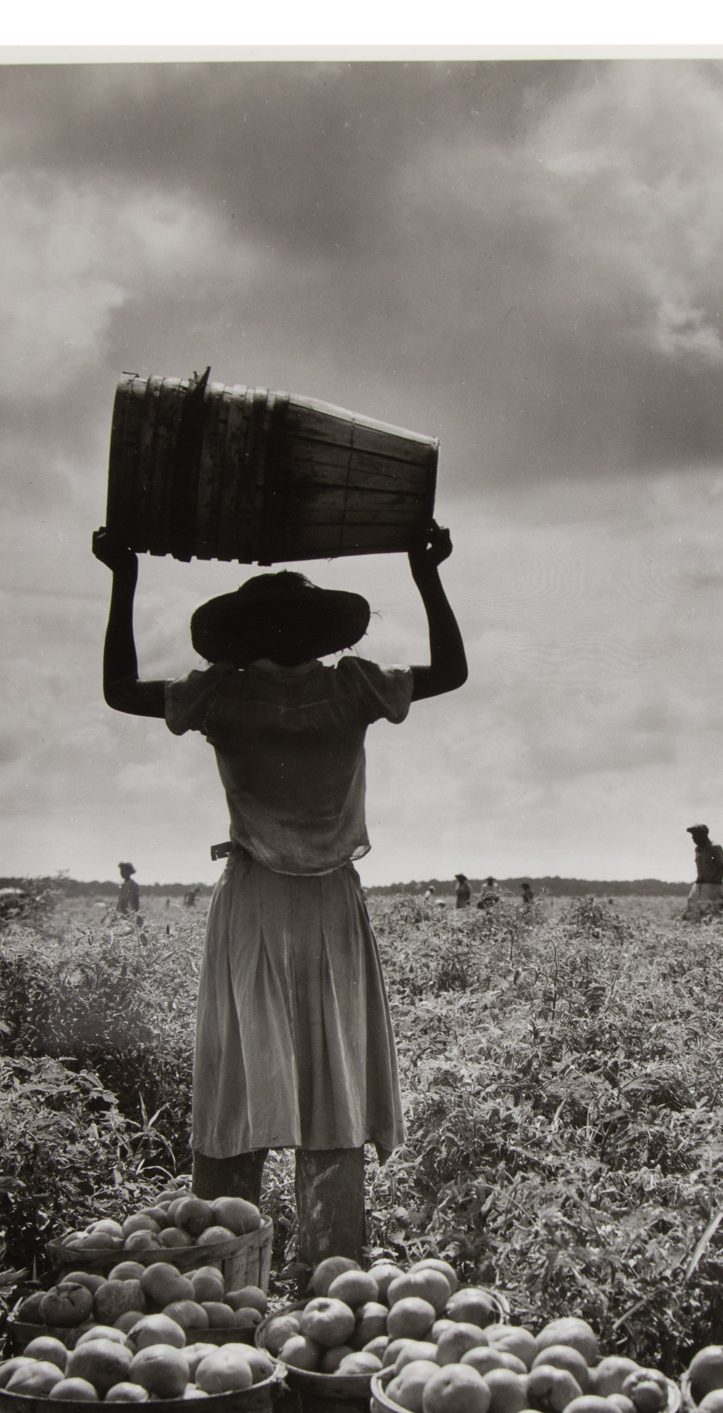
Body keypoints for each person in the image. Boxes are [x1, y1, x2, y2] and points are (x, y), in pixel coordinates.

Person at [93, 518, 466, 1265]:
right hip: (327, 906)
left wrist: (123, 576)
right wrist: (428, 573)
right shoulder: (351, 688)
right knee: (332, 1073)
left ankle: (222, 1266)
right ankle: (328, 1267)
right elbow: (451, 671)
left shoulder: (224, 696)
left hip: (257, 903)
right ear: (317, 636)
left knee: (241, 1075)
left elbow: (117, 690)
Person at [683, 824, 723, 921]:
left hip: (712, 887)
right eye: (692, 836)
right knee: (689, 916)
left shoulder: (715, 848)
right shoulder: (698, 849)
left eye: (695, 836)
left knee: (710, 917)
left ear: (704, 835)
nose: (693, 839)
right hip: (698, 886)